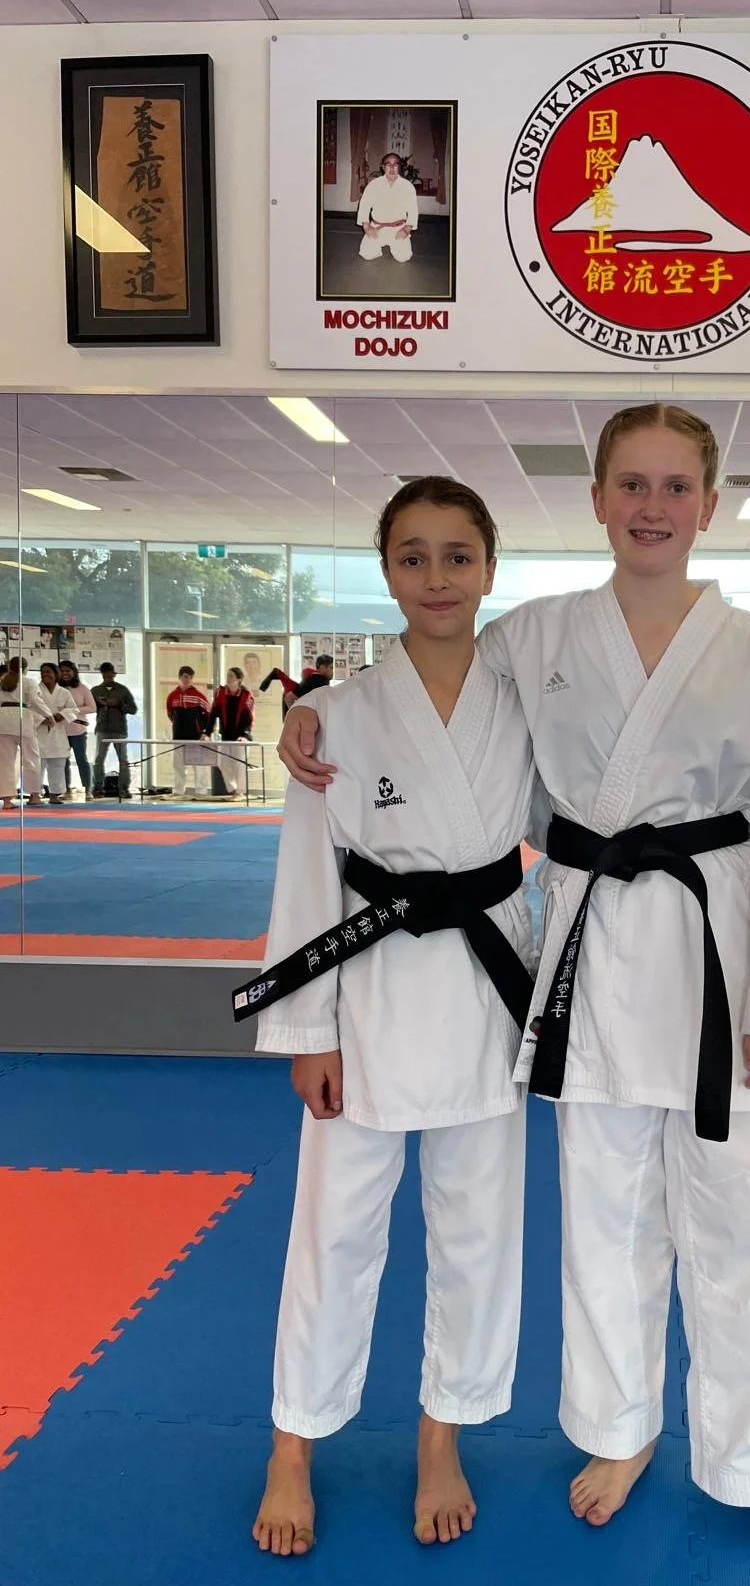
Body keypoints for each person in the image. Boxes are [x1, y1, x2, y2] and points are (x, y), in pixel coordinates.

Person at [276, 405, 750, 1566]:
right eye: (631, 485)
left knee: (747, 1219)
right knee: (602, 1214)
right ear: (597, 500)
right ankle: (621, 1427)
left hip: (718, 952)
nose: (652, 507)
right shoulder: (538, 637)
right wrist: (311, 711)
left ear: (708, 503)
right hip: (593, 957)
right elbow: (422, 673)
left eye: (675, 486)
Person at [244, 477, 536, 1560]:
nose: (437, 578)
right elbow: (307, 871)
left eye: (458, 556)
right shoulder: (345, 714)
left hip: (486, 992)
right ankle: (292, 1443)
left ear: (492, 568)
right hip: (365, 999)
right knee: (333, 1231)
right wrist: (305, 1026)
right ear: (385, 571)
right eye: (412, 557)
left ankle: (440, 1431)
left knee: (477, 1232)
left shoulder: (527, 701)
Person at [0, 657, 51, 809]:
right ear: (26, 668)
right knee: (31, 758)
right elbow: (36, 701)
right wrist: (49, 715)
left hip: (3, 719)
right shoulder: (28, 681)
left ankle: (7, 800)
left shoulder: (2, 681)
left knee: (5, 762)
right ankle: (34, 795)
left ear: (10, 667)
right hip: (22, 719)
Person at [357, 152, 419, 264]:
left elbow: (413, 211)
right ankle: (376, 245)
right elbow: (364, 206)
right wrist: (367, 227)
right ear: (383, 167)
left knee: (403, 257)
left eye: (395, 165)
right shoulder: (374, 185)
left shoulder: (407, 187)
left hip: (398, 228)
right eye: (388, 164)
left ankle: (397, 245)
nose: (391, 168)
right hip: (377, 227)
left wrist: (406, 230)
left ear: (399, 167)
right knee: (366, 254)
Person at [90, 662, 137, 800]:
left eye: (111, 674)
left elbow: (133, 709)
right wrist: (100, 704)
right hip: (102, 729)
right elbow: (89, 707)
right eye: (106, 675)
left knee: (123, 760)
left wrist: (119, 704)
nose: (109, 677)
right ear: (103, 675)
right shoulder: (95, 690)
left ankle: (124, 788)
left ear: (114, 674)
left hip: (119, 730)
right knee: (99, 760)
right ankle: (98, 788)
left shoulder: (123, 690)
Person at [207, 667, 255, 798]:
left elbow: (249, 718)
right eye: (227, 675)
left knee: (239, 764)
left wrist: (245, 735)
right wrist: (206, 732)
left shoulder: (246, 695)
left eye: (231, 676)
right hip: (225, 735)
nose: (228, 678)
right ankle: (232, 788)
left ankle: (240, 791)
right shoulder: (220, 693)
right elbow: (213, 714)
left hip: (241, 737)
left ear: (239, 679)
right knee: (222, 762)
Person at [34, 662, 77, 803]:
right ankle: (35, 795)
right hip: (39, 730)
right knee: (37, 764)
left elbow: (73, 709)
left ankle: (55, 794)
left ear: (56, 674)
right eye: (43, 672)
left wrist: (61, 715)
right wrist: (41, 719)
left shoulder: (64, 692)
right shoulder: (35, 690)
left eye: (49, 672)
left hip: (58, 731)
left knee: (57, 764)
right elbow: (28, 709)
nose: (46, 674)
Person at [165, 665, 211, 797]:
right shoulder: (172, 696)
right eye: (185, 676)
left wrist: (204, 732)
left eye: (190, 677)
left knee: (199, 764)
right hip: (178, 735)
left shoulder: (198, 696)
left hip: (195, 736)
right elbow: (170, 713)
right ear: (180, 677)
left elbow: (208, 714)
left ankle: (201, 790)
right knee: (178, 765)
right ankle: (179, 790)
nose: (187, 679)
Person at [58, 660, 96, 798]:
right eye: (62, 671)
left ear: (74, 672)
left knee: (81, 760)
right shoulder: (56, 688)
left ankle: (88, 789)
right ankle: (65, 789)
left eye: (68, 670)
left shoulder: (82, 688)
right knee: (62, 761)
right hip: (60, 730)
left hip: (78, 730)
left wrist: (72, 711)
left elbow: (92, 707)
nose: (65, 673)